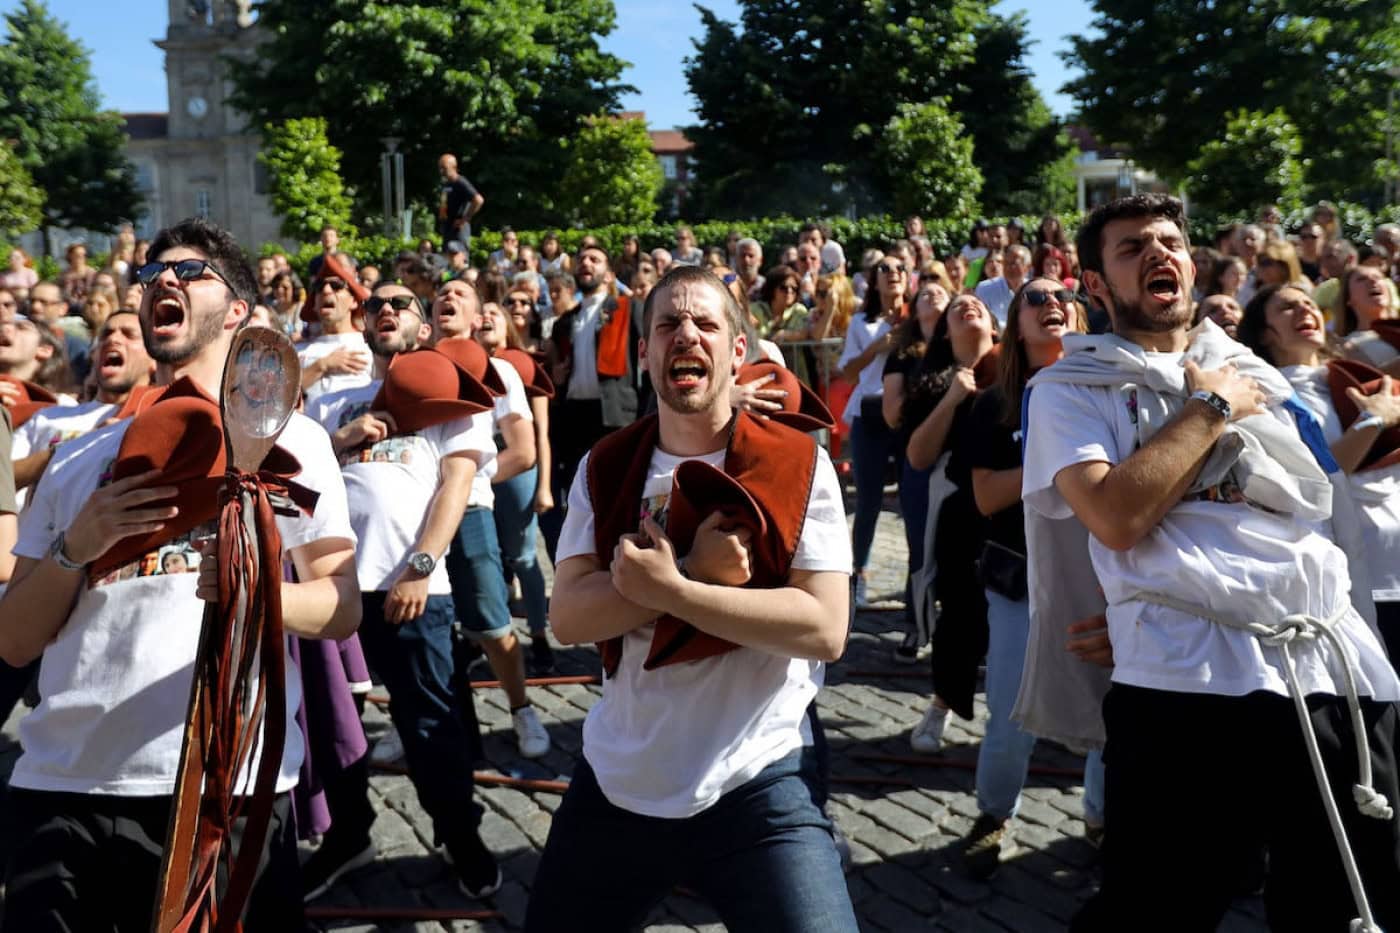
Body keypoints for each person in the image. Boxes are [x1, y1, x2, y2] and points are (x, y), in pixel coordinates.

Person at [1025, 194, 1400, 932]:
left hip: (1328, 667)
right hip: (1182, 677)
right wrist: (1208, 409)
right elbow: (1115, 516)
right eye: (1131, 248)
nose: (1158, 253)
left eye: (1169, 241)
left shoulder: (1249, 370)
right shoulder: (1070, 389)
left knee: (1352, 902)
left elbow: (1319, 499)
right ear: (1097, 285)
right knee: (1158, 911)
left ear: (1192, 265)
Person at [0, 217, 362, 930]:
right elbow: (13, 641)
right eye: (149, 273)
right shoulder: (77, 460)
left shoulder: (293, 439)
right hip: (62, 782)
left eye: (190, 271)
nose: (161, 279)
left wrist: (254, 592)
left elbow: (340, 604)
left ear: (238, 311)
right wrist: (79, 545)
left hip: (222, 783)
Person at [525, 265, 857, 933]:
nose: (687, 336)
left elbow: (824, 627)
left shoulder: (797, 461)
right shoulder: (605, 462)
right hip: (621, 779)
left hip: (755, 779)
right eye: (668, 325)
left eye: (707, 323)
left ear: (738, 352)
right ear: (645, 353)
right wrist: (690, 577)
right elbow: (569, 616)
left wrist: (674, 588)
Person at [306, 280, 503, 900]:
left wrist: (420, 566)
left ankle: (459, 833)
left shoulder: (451, 398)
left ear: (423, 330)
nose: (385, 310)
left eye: (401, 305)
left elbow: (455, 486)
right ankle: (348, 834)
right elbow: (296, 483)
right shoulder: (335, 401)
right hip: (333, 591)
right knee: (335, 723)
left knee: (432, 727)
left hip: (413, 587)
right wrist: (340, 440)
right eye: (376, 305)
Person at [954, 278, 1105, 878]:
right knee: (1013, 713)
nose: (1051, 305)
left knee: (1113, 711)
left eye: (1061, 296)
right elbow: (987, 496)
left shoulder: (1109, 392)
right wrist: (1056, 459)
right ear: (1014, 326)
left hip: (1103, 576)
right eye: (1034, 299)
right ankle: (994, 815)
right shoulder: (995, 401)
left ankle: (1102, 820)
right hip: (1020, 581)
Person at [1239, 283, 1400, 661]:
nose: (1304, 311)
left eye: (1309, 304)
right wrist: (1373, 422)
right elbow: (1315, 479)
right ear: (1265, 333)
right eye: (1287, 308)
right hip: (1362, 583)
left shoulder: (1357, 380)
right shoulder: (1269, 398)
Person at [429, 280, 551, 754]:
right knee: (429, 624)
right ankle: (435, 720)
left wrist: (471, 479)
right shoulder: (413, 367)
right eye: (441, 293)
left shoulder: (499, 369)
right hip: (416, 517)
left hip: (473, 509)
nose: (449, 298)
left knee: (492, 621)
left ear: (479, 314)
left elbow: (522, 451)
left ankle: (521, 709)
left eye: (460, 292)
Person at [903, 294, 999, 753]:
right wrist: (953, 398)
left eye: (977, 302)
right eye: (956, 307)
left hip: (1019, 505)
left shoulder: (1019, 368)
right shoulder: (932, 381)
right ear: (944, 331)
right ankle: (942, 704)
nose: (968, 306)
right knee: (961, 611)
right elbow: (918, 456)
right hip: (961, 510)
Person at [471, 298, 556, 673]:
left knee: (522, 556)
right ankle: (484, 637)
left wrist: (545, 487)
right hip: (475, 467)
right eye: (482, 314)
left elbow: (542, 433)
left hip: (519, 469)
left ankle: (538, 635)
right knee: (484, 556)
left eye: (495, 316)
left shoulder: (522, 367)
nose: (487, 318)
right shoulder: (459, 366)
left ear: (508, 328)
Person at [881, 278, 950, 663]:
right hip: (917, 460)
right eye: (924, 292)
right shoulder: (903, 354)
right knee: (921, 546)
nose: (932, 294)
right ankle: (916, 624)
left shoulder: (962, 346)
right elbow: (892, 413)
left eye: (940, 291)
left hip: (960, 459)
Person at [838, 253, 908, 608]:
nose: (893, 273)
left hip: (909, 417)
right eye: (885, 269)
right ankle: (858, 571)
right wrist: (877, 348)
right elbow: (848, 373)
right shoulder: (860, 323)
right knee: (868, 502)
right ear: (873, 280)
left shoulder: (919, 317)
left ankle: (917, 580)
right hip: (869, 417)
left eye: (900, 269)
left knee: (912, 503)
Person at [297, 257, 373, 405]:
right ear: (314, 305)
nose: (326, 290)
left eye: (336, 286)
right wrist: (322, 365)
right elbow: (278, 400)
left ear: (353, 301)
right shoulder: (297, 351)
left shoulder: (370, 348)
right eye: (319, 287)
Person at [437, 153, 484, 251]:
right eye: (440, 167)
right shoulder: (446, 184)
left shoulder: (460, 182)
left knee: (459, 259)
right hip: (448, 229)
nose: (441, 171)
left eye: (444, 168)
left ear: (454, 167)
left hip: (458, 230)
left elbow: (478, 200)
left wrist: (465, 218)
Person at [974, 244, 1030, 327]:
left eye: (1014, 263)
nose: (1009, 267)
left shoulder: (1033, 289)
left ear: (1027, 267)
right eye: (1006, 263)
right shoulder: (985, 288)